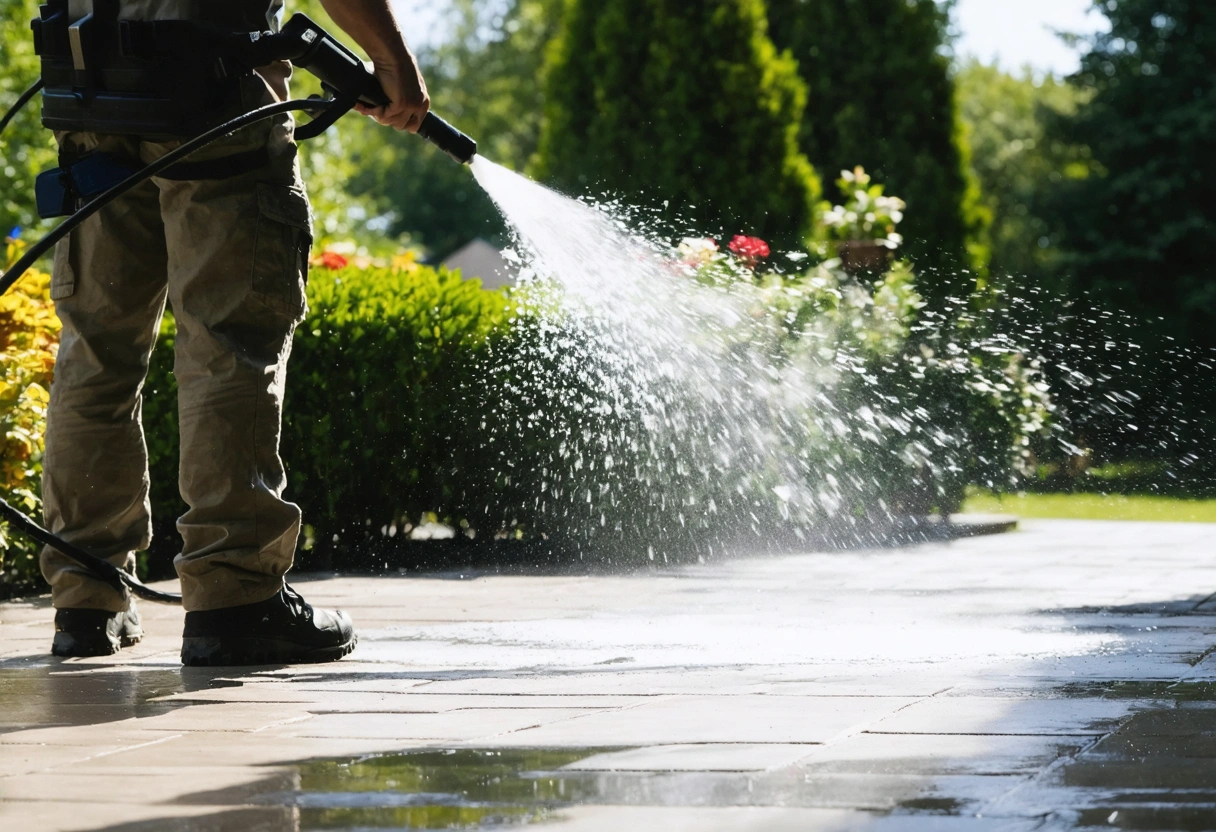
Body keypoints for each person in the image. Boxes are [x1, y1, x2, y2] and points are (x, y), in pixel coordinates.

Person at [40, 0, 429, 664]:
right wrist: (391, 60)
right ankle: (236, 599)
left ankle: (86, 599)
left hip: (92, 94)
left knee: (96, 348)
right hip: (213, 89)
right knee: (229, 343)